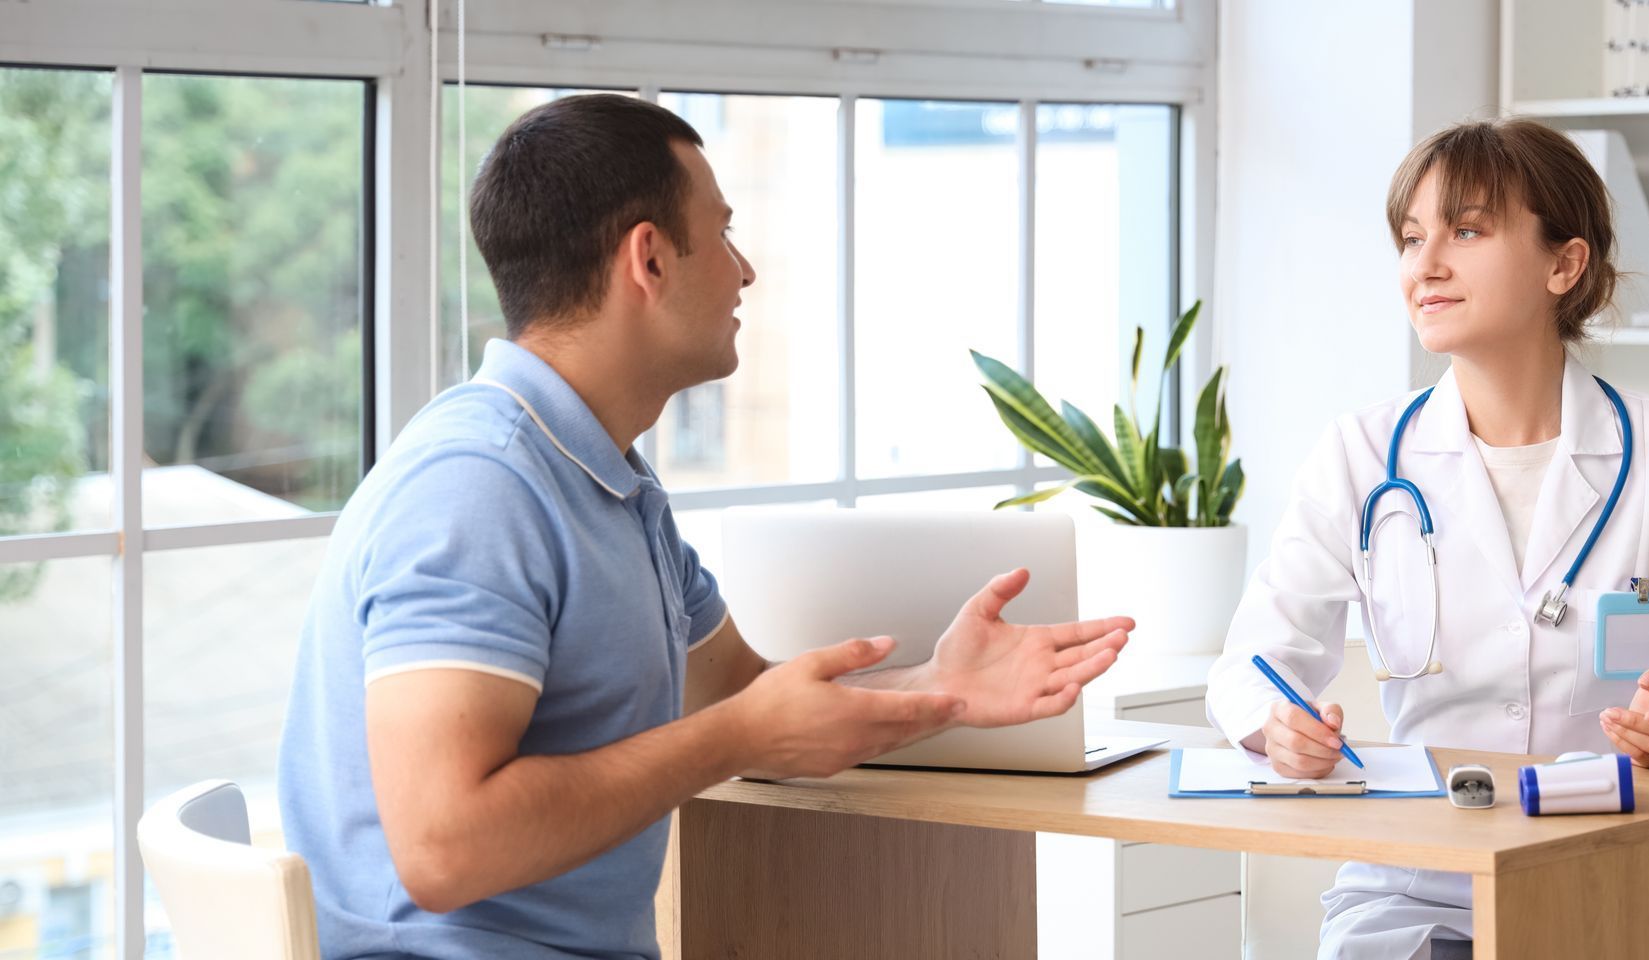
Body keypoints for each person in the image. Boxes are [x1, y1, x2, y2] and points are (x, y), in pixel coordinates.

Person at [277, 93, 1132, 959]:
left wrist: (942, 690)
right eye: (721, 234)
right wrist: (739, 737)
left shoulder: (609, 481)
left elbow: (739, 696)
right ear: (648, 259)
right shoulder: (479, 488)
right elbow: (443, 849)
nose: (745, 270)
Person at [1204, 118, 1649, 960]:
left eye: (1466, 230)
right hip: (1415, 882)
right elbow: (1254, 663)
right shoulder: (1361, 454)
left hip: (1625, 867)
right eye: (1412, 237)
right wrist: (1275, 724)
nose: (1425, 264)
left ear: (1564, 264)